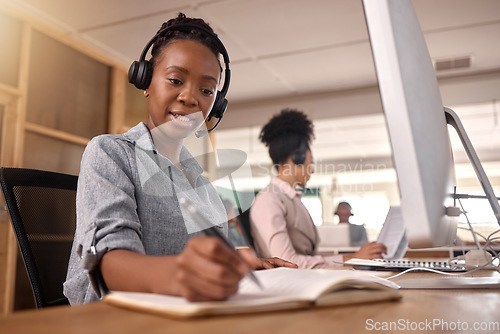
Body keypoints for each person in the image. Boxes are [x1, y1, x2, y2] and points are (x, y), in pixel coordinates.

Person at [64, 13, 294, 305]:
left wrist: (236, 264)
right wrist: (181, 275)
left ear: (216, 105)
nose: (190, 97)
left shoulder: (203, 184)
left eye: (207, 90)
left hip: (186, 315)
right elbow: (109, 263)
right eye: (175, 80)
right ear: (146, 81)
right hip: (114, 318)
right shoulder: (111, 153)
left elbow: (187, 252)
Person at [250, 109, 386, 269]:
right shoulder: (269, 200)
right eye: (311, 163)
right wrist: (352, 258)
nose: (312, 170)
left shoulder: (292, 199)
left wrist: (356, 256)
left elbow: (312, 256)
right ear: (297, 157)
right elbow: (287, 261)